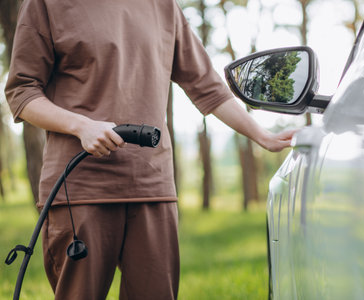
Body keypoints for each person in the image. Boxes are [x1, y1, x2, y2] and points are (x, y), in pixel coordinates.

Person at [5, 0, 295, 299]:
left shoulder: (163, 6)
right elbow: (21, 92)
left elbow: (207, 87)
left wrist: (264, 136)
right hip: (79, 187)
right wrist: (81, 126)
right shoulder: (46, 4)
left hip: (152, 185)